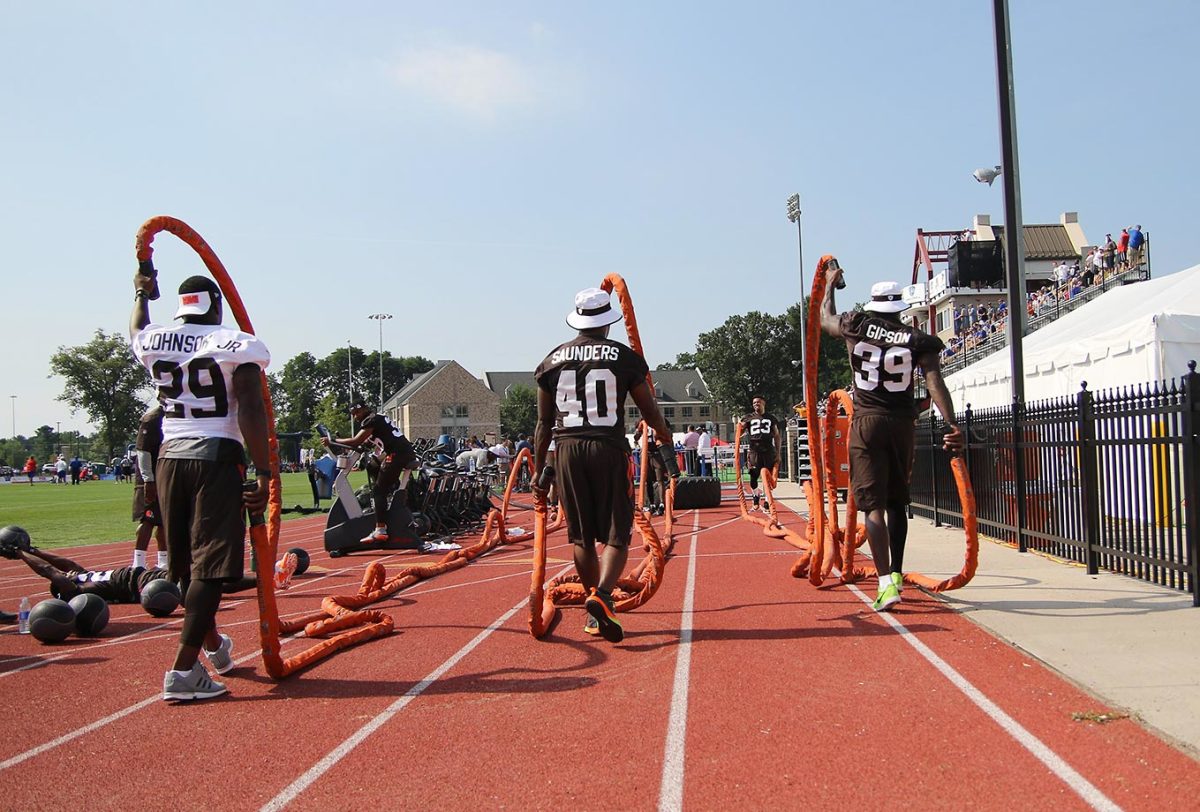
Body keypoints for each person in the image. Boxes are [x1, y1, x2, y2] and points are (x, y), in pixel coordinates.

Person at [131, 273, 272, 702]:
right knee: (210, 566)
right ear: (216, 305)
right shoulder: (237, 342)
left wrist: (141, 292)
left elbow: (137, 326)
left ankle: (213, 649)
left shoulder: (155, 338)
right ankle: (182, 670)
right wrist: (265, 472)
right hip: (215, 453)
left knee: (187, 565)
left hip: (170, 457)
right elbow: (248, 404)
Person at [533, 287, 678, 643]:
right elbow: (649, 410)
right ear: (607, 322)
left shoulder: (552, 359)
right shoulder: (624, 357)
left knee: (580, 536)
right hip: (608, 448)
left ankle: (596, 613)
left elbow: (542, 423)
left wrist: (540, 469)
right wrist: (664, 437)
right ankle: (603, 596)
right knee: (617, 532)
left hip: (566, 450)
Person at [819, 269, 963, 613]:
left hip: (867, 421)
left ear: (873, 304)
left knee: (873, 506)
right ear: (900, 307)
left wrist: (828, 285)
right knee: (898, 502)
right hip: (902, 424)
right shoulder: (917, 339)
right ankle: (895, 573)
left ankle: (885, 584)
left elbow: (825, 319)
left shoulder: (855, 325)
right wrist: (952, 424)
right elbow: (934, 382)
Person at [3, 543, 289, 602]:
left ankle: (269, 579)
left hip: (148, 575)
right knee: (207, 580)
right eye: (61, 580)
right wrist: (20, 554)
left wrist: (35, 548)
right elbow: (49, 572)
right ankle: (269, 578)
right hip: (146, 585)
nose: (64, 575)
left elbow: (63, 563)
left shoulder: (81, 576)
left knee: (208, 580)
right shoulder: (76, 590)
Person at [323, 401, 417, 543]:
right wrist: (362, 445)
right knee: (373, 466)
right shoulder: (377, 418)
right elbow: (366, 441)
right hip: (402, 451)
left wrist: (332, 441)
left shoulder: (371, 420)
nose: (356, 416)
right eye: (353, 414)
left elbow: (356, 441)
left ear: (366, 409)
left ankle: (380, 529)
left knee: (378, 491)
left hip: (397, 454)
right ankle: (392, 501)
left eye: (357, 412)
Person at [131, 404, 168, 570]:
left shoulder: (173, 415)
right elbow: (143, 451)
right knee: (147, 519)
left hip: (164, 477)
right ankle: (138, 562)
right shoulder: (151, 419)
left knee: (164, 522)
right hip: (150, 479)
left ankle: (164, 561)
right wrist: (148, 480)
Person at [739, 397, 781, 512]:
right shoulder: (748, 418)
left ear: (764, 403)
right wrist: (741, 426)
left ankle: (767, 500)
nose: (756, 404)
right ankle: (756, 494)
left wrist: (778, 452)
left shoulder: (771, 418)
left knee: (767, 477)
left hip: (768, 450)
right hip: (754, 450)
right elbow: (740, 432)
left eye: (758, 402)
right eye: (754, 403)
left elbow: (776, 435)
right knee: (753, 476)